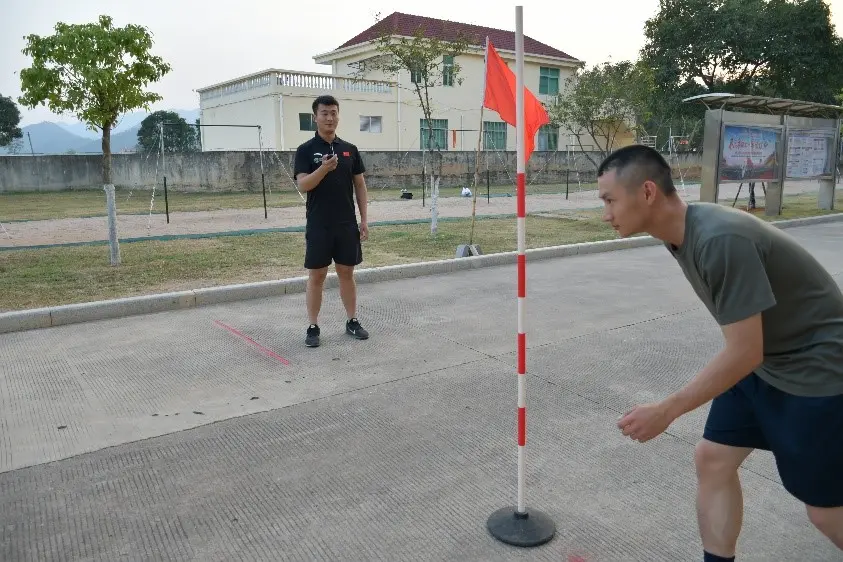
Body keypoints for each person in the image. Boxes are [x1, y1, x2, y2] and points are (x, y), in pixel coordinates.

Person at [596, 144, 843, 560]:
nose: (605, 213)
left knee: (825, 512)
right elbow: (750, 350)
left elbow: (745, 352)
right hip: (769, 362)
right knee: (712, 459)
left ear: (648, 192)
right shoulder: (680, 235)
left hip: (816, 368)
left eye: (609, 200)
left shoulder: (718, 238)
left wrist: (666, 410)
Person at [293, 94, 369, 348]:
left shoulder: (350, 149)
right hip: (319, 224)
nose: (329, 117)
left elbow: (359, 184)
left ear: (338, 115)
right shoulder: (306, 150)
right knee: (317, 275)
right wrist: (324, 169)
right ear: (315, 117)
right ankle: (313, 326)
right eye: (324, 113)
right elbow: (303, 185)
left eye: (333, 112)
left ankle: (352, 320)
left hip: (346, 223)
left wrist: (364, 220)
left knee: (347, 273)